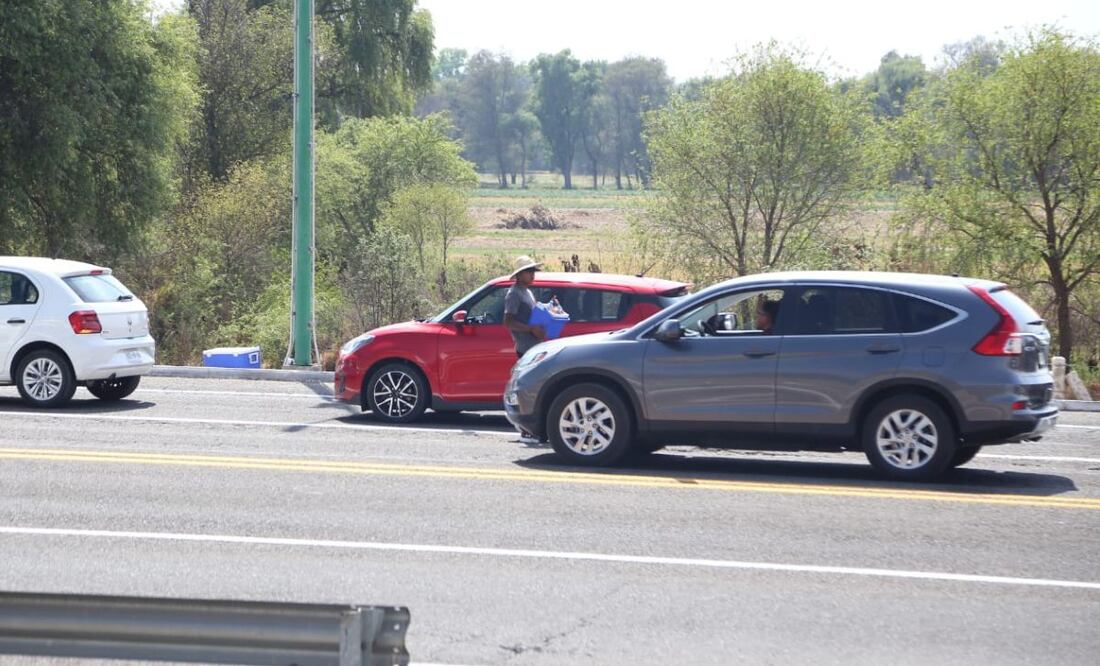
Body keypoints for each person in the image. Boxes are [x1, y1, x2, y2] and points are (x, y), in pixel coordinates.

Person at [503, 255, 546, 445]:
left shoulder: (527, 292)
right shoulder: (514, 294)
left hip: (534, 346)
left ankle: (532, 429)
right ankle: (525, 430)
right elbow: (508, 321)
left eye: (533, 271)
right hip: (524, 348)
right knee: (525, 388)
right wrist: (530, 329)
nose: (533, 274)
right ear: (520, 275)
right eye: (529, 271)